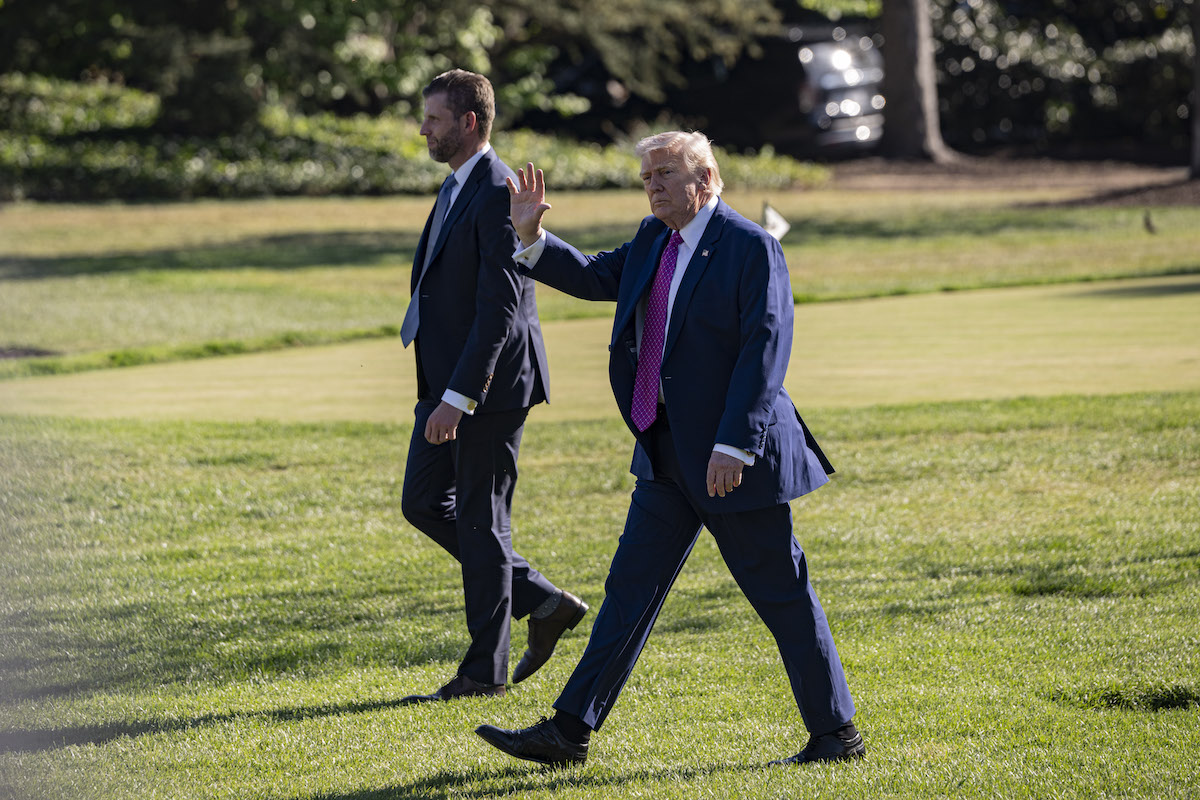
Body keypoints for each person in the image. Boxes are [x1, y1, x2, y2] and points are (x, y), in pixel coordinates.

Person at [474, 131, 862, 765]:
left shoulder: (750, 246)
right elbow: (597, 275)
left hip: (732, 463)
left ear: (703, 179)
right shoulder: (655, 238)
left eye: (663, 173)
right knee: (628, 592)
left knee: (782, 595)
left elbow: (763, 353)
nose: (651, 184)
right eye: (646, 175)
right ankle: (569, 730)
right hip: (663, 453)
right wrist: (530, 238)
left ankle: (836, 733)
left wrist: (735, 446)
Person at [397, 69, 587, 704]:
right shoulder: (459, 184)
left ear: (469, 122)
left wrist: (461, 396)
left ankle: (484, 671)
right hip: (447, 383)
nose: (423, 128)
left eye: (434, 119)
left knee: (481, 519)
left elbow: (501, 305)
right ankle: (542, 601)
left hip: (488, 389)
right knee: (424, 502)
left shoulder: (498, 188)